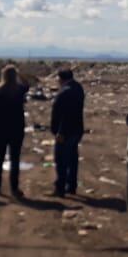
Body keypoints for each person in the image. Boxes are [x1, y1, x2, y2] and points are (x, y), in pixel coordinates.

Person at [0, 65, 30, 198]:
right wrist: (19, 73)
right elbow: (27, 84)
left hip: (0, 129)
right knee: (15, 159)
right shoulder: (19, 90)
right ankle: (14, 189)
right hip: (17, 128)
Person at [50, 68, 85, 197]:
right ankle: (71, 186)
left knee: (61, 159)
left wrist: (60, 132)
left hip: (65, 131)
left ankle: (60, 188)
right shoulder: (78, 88)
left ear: (61, 78)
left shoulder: (65, 92)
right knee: (72, 158)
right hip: (77, 129)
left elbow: (64, 115)